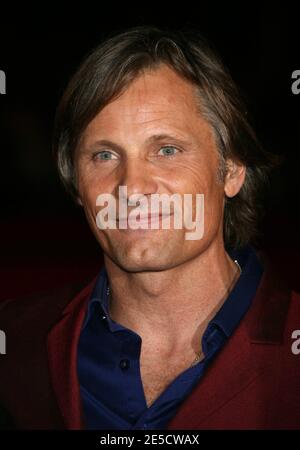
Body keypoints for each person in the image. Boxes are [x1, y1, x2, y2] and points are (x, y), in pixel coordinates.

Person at [0, 26, 299, 430]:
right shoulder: (16, 345)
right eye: (104, 155)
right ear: (75, 184)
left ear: (231, 170)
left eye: (166, 150)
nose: (132, 187)